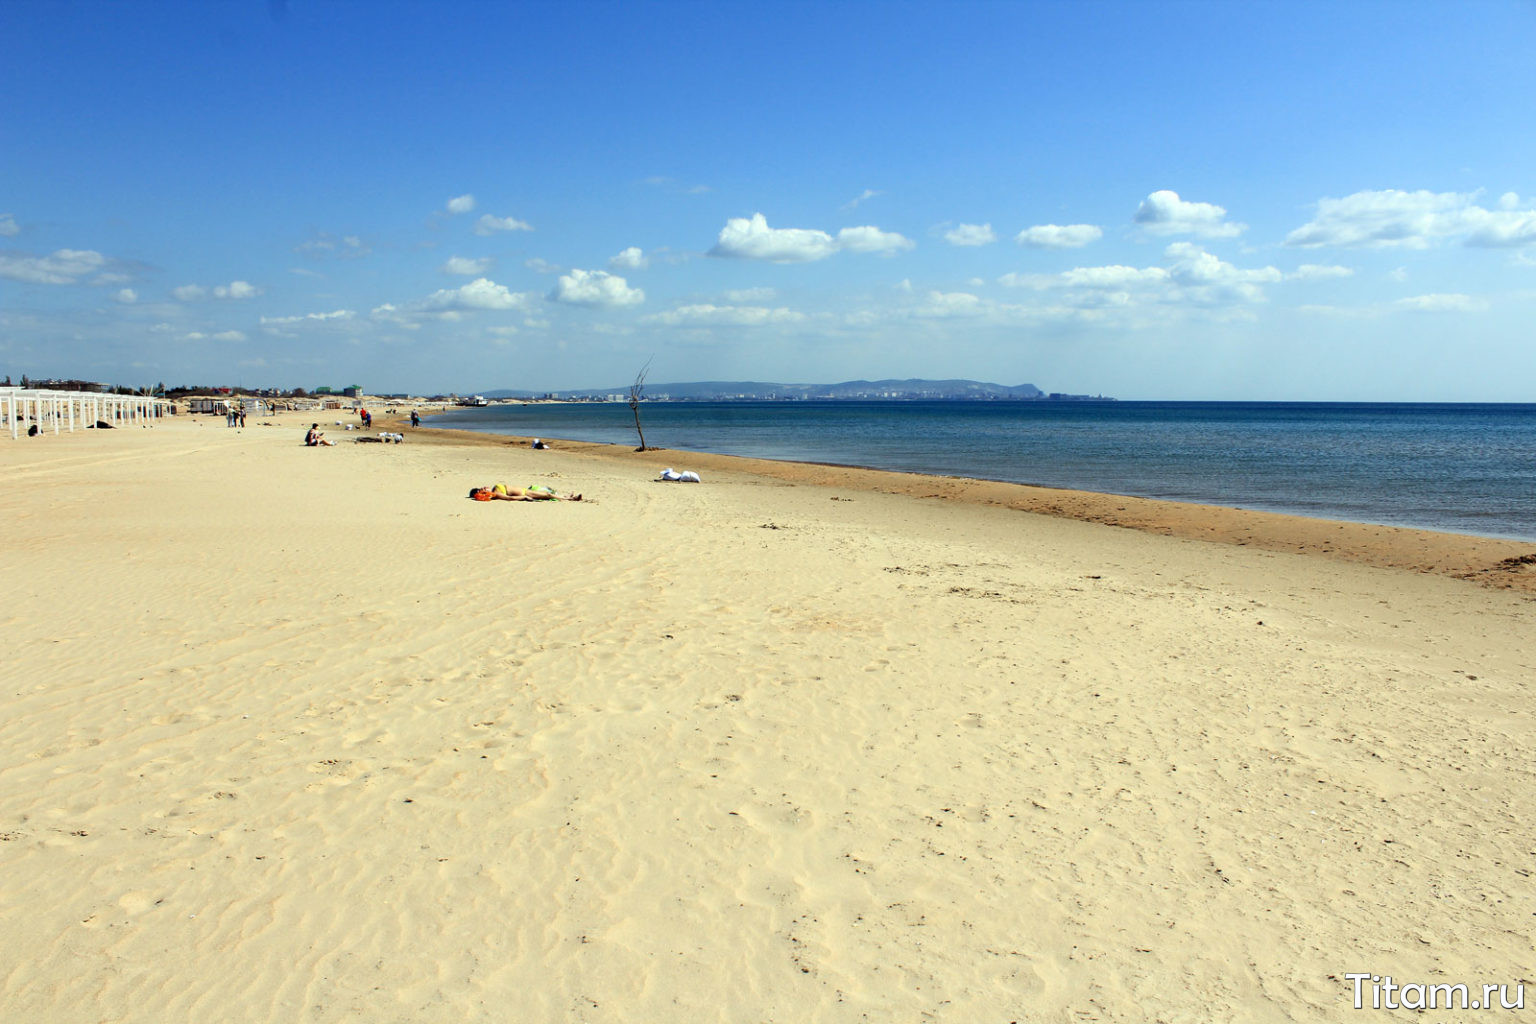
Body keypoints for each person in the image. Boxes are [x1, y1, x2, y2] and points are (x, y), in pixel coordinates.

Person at [469, 483, 581, 501]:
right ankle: (571, 499)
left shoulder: (495, 490)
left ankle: (566, 496)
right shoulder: (496, 493)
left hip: (526, 489)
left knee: (549, 491)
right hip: (526, 493)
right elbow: (510, 498)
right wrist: (524, 498)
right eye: (482, 490)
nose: (484, 487)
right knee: (547, 495)